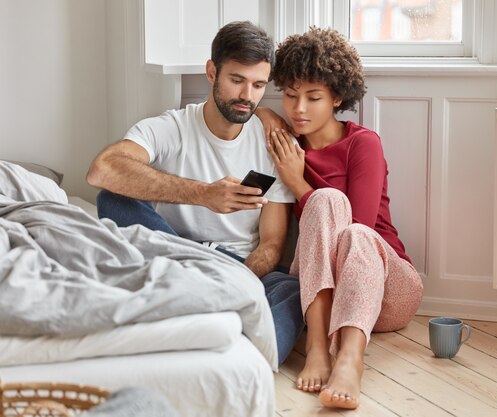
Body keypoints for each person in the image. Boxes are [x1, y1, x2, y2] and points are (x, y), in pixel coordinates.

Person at [86, 21, 303, 365]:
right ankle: (218, 322)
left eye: (259, 85)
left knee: (291, 288)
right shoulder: (171, 128)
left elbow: (272, 244)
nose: (248, 96)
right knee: (112, 199)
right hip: (173, 255)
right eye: (236, 80)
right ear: (212, 71)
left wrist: (239, 278)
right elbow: (103, 168)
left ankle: (240, 357)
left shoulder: (273, 144)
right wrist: (203, 195)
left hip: (233, 266)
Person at [267, 27, 424, 409]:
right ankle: (318, 349)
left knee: (334, 208)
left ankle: (351, 360)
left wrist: (296, 182)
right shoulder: (287, 146)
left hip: (384, 287)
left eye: (313, 97)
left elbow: (363, 232)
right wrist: (267, 116)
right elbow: (253, 111)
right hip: (320, 295)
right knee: (325, 202)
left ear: (336, 97)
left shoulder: (362, 143)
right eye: (289, 96)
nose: (298, 109)